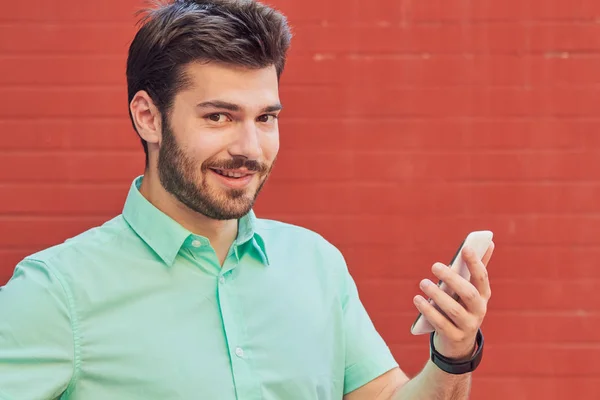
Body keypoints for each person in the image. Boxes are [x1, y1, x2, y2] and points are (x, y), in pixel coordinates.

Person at [0, 0, 495, 399]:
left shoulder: (316, 263)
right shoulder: (54, 292)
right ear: (148, 117)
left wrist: (451, 354)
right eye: (219, 117)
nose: (249, 149)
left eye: (265, 118)